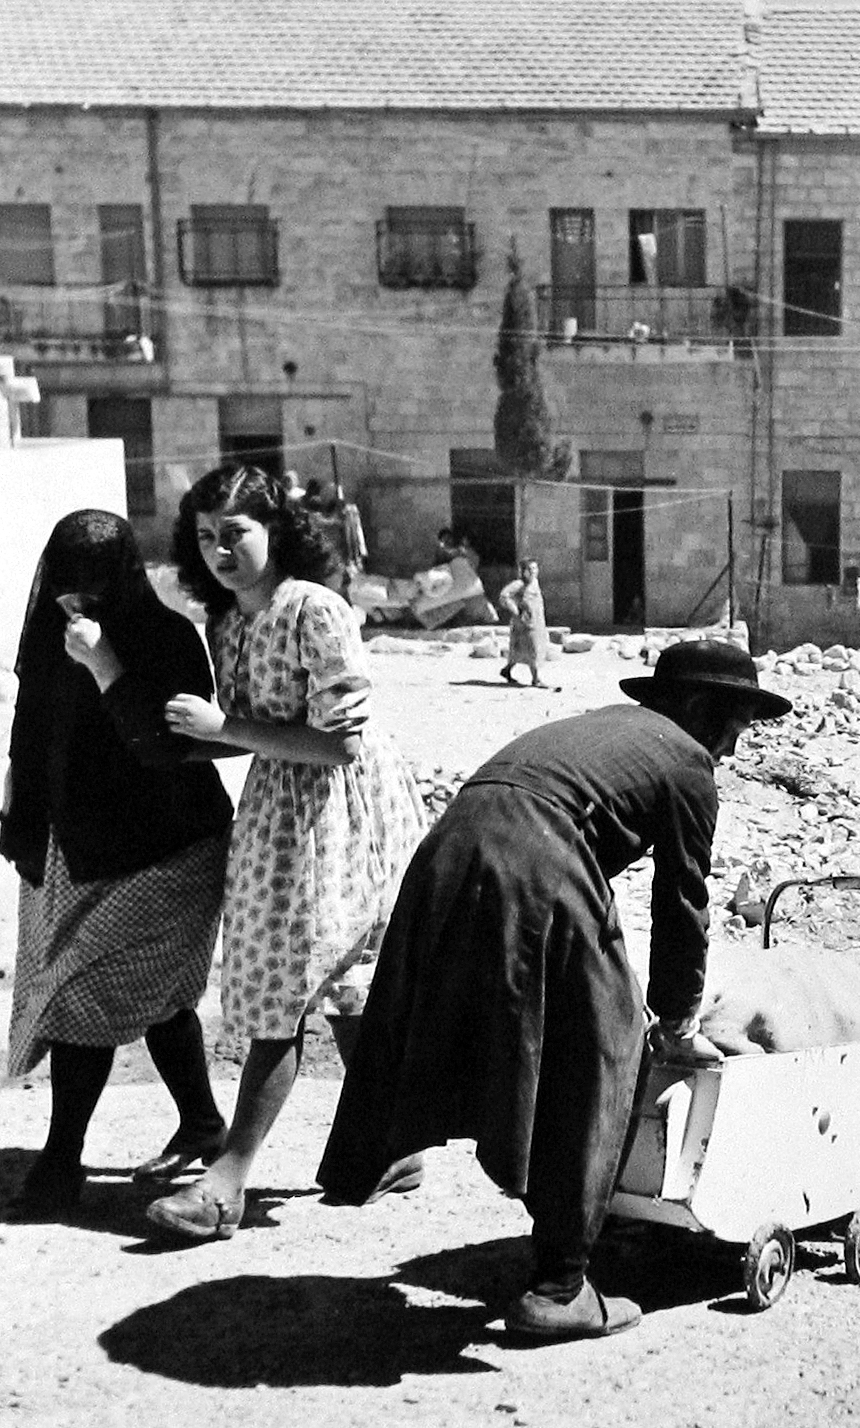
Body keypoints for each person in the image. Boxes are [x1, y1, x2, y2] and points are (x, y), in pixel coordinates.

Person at [316, 640, 792, 1341]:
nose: (733, 743)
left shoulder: (601, 728)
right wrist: (677, 1016)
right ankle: (561, 1285)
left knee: (499, 1025)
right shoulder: (687, 759)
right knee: (608, 1044)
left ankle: (379, 1158)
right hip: (534, 857)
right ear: (698, 709)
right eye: (735, 723)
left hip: (448, 852)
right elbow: (683, 900)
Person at [144, 465, 427, 1241]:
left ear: (277, 532)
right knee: (327, 981)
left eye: (235, 533)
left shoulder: (317, 610)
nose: (219, 552)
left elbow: (338, 742)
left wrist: (221, 732)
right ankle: (394, 1143)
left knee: (295, 979)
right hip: (278, 808)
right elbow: (245, 729)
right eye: (204, 537)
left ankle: (227, 1181)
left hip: (339, 810)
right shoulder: (227, 622)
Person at [1, 512, 234, 1219]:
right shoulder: (47, 632)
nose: (80, 593)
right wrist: (18, 817)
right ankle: (202, 1122)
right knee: (154, 996)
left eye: (97, 577)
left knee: (84, 998)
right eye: (69, 576)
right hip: (73, 846)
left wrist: (106, 663)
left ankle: (59, 1164)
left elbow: (162, 747)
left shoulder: (165, 637)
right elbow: (28, 731)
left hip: (163, 847)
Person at [497, 558, 554, 689]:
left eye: (535, 568)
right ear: (524, 571)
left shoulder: (535, 583)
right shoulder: (518, 584)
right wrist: (515, 609)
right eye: (530, 569)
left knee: (523, 651)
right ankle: (536, 679)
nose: (533, 571)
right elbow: (504, 596)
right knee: (532, 649)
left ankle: (507, 670)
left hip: (536, 621)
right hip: (524, 624)